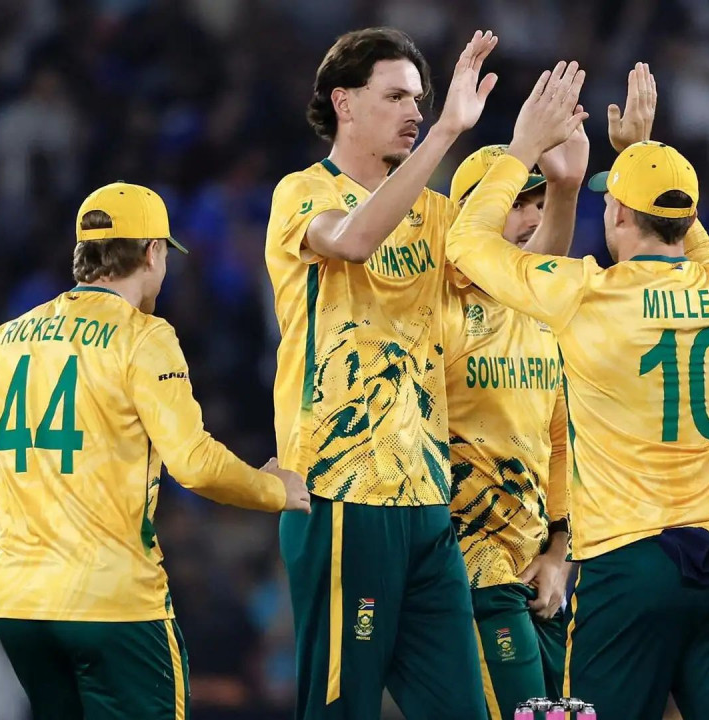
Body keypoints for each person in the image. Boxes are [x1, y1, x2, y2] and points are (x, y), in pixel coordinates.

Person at [446, 60, 709, 719]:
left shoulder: (586, 294)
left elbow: (466, 242)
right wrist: (643, 155)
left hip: (629, 564)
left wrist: (521, 147)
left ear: (618, 213)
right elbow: (692, 242)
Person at [0, 182, 310, 720]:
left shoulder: (5, 339)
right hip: (113, 602)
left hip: (20, 605)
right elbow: (194, 465)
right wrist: (275, 489)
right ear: (151, 253)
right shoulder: (143, 337)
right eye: (165, 254)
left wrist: (49, 522)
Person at [265, 26, 497, 719]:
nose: (415, 112)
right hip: (341, 488)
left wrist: (564, 184)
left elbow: (515, 274)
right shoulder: (303, 193)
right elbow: (355, 239)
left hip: (426, 494)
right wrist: (448, 132)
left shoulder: (435, 213)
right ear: (344, 102)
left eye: (420, 101)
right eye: (396, 96)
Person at [443, 115, 588, 718]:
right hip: (468, 565)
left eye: (538, 203)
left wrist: (559, 555)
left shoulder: (541, 318)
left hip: (540, 573)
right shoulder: (435, 313)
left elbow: (562, 446)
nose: (531, 218)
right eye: (515, 204)